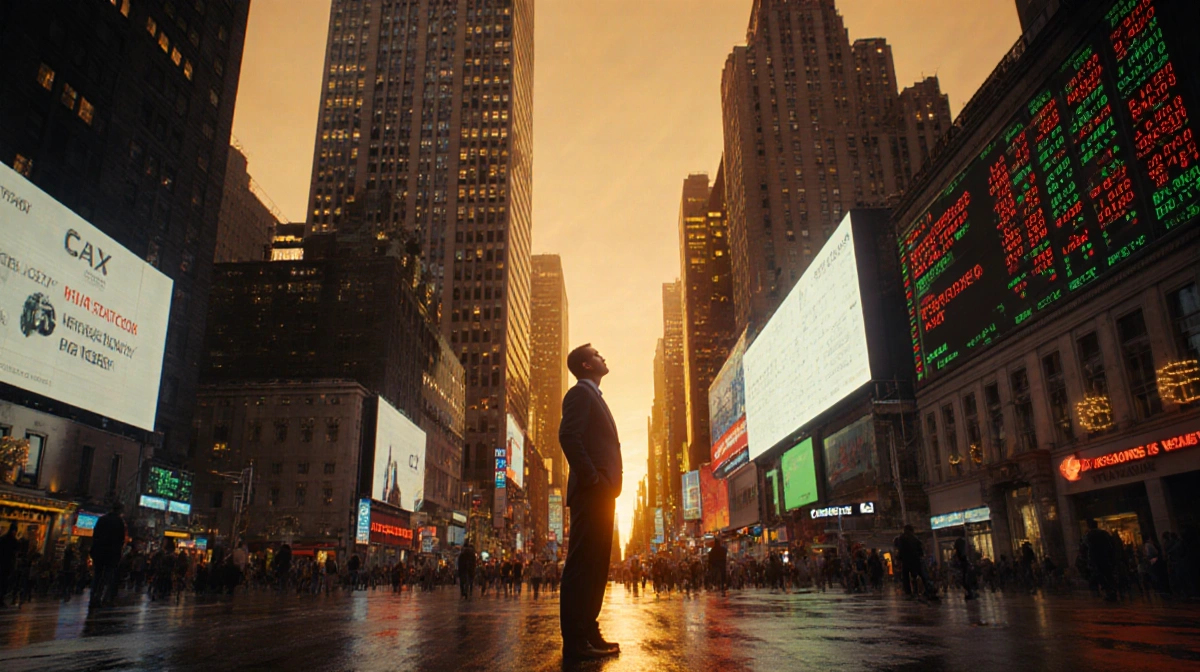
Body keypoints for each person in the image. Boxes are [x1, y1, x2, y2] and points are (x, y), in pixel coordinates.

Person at [558, 343, 622, 660]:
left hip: (602, 493)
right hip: (591, 492)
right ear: (586, 365)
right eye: (598, 354)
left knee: (596, 566)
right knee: (583, 565)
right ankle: (575, 639)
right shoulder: (580, 394)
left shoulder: (594, 396)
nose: (603, 356)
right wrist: (593, 479)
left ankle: (588, 630)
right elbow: (568, 436)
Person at [89, 502, 126, 607]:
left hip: (99, 552)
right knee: (108, 576)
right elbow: (120, 539)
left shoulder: (102, 519)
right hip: (111, 554)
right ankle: (103, 597)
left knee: (97, 575)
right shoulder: (119, 522)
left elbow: (95, 535)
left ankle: (94, 595)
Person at [1085, 519, 1117, 602]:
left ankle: (1107, 592)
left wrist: (1089, 560)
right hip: (1106, 557)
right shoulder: (1104, 533)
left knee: (1101, 575)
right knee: (1108, 575)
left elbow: (1088, 548)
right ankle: (1113, 591)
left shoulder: (1089, 535)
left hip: (1097, 558)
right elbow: (1111, 545)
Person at [953, 530, 977, 600]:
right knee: (966, 577)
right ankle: (970, 592)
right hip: (964, 562)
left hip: (963, 562)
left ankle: (970, 592)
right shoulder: (964, 542)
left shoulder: (960, 542)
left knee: (966, 578)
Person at [0, 523, 17, 607]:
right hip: (6, 564)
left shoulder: (3, 539)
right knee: (4, 583)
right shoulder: (13, 541)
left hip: (4, 563)